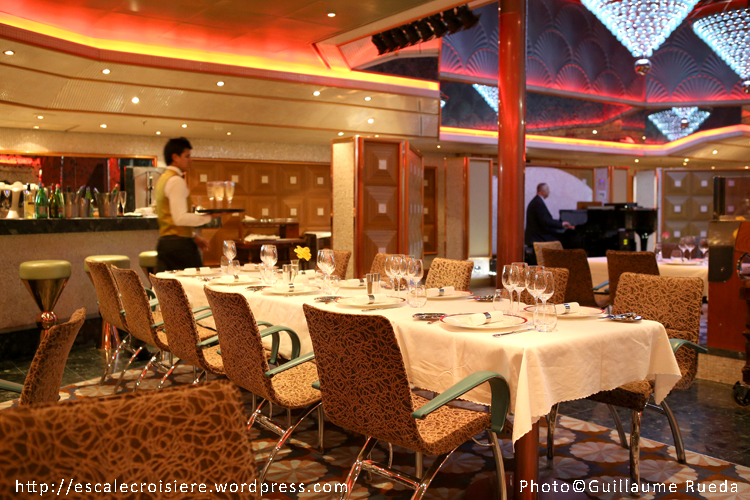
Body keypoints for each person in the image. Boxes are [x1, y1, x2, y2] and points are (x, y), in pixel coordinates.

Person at [155, 137, 217, 272]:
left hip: (166, 244)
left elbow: (172, 218)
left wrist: (194, 236)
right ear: (175, 157)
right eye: (187, 156)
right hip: (180, 247)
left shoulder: (163, 179)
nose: (190, 160)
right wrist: (210, 217)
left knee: (167, 285)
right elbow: (180, 218)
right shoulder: (176, 180)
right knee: (197, 283)